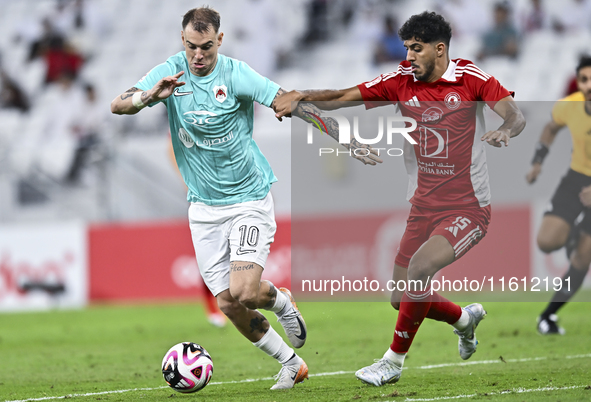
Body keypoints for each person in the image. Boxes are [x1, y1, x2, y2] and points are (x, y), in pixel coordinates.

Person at [274, 11, 526, 386]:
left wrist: (506, 129)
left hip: (468, 209)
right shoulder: (400, 81)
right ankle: (463, 319)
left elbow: (514, 114)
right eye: (407, 47)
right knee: (400, 296)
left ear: (440, 49)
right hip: (422, 206)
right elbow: (343, 96)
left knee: (420, 270)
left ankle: (392, 362)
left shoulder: (472, 79)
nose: (409, 56)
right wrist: (301, 96)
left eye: (417, 48)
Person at [110, 7, 312, 390]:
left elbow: (285, 99)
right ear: (181, 41)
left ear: (219, 40)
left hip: (248, 198)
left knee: (246, 291)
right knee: (228, 303)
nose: (197, 55)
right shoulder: (170, 71)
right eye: (191, 47)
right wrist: (149, 96)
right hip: (203, 207)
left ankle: (282, 302)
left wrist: (337, 131)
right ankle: (291, 363)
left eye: (206, 47)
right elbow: (117, 104)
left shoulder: (236, 74)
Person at [526, 56, 591, 335]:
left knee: (582, 258)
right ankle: (575, 230)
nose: (589, 86)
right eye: (584, 80)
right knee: (546, 241)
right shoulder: (570, 105)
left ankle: (547, 316)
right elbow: (551, 128)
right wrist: (538, 160)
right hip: (576, 179)